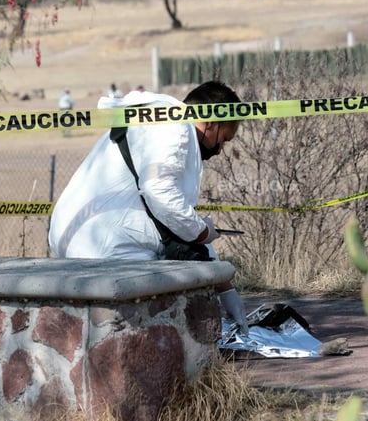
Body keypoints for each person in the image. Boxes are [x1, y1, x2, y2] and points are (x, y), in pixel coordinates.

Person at [48, 80, 249, 334]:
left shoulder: (154, 123)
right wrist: (200, 231)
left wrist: (225, 286)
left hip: (77, 237)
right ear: (211, 122)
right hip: (105, 247)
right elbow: (160, 192)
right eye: (224, 139)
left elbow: (171, 218)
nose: (221, 149)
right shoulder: (175, 129)